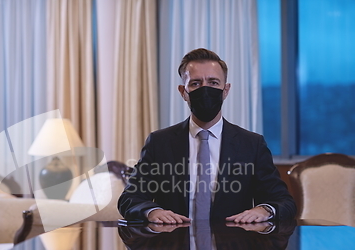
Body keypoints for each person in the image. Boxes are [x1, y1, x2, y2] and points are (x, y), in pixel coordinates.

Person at [118, 48, 296, 224]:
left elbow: (284, 201)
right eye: (195, 83)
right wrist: (152, 211)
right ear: (183, 92)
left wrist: (264, 209)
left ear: (226, 90)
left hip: (234, 246)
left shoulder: (252, 144)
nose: (205, 90)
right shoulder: (159, 143)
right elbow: (130, 198)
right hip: (173, 246)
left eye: (213, 83)